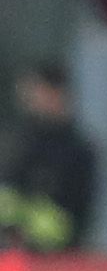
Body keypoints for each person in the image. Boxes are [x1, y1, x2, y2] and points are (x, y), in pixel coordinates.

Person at [0, 61, 97, 250]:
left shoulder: (78, 149)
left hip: (58, 249)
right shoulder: (19, 140)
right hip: (16, 244)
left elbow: (78, 210)